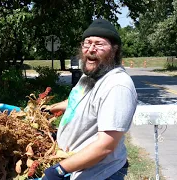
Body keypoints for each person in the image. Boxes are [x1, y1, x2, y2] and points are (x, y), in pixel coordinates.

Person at [41, 19, 138, 180]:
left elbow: (105, 146)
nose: (91, 49)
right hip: (77, 168)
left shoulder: (117, 86)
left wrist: (58, 171)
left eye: (99, 44)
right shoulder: (90, 76)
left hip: (100, 173)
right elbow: (76, 101)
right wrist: (49, 108)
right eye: (87, 43)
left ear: (114, 50)